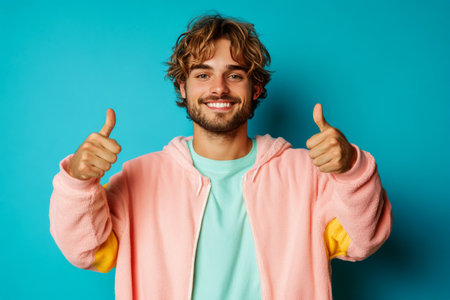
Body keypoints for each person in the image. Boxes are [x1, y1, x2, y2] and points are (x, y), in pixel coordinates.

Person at [49, 14, 392, 300]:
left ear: (255, 88)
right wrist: (79, 183)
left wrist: (351, 169)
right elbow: (87, 252)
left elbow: (365, 240)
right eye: (202, 74)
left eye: (235, 74)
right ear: (182, 87)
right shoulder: (140, 176)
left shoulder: (308, 174)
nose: (219, 88)